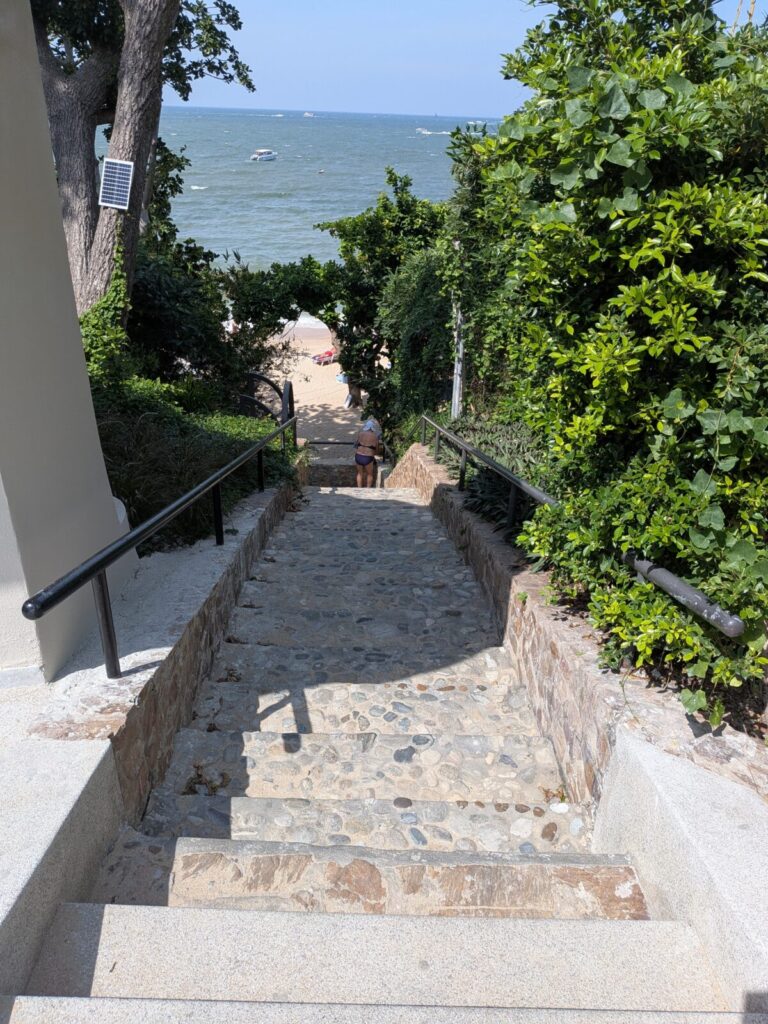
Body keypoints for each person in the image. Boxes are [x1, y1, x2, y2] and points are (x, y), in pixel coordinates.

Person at [354, 418, 381, 487]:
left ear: (366, 427)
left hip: (358, 455)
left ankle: (359, 489)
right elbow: (377, 449)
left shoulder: (360, 434)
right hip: (368, 457)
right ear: (372, 428)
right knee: (369, 474)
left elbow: (356, 444)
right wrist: (375, 454)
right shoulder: (375, 436)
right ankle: (367, 491)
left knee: (359, 474)